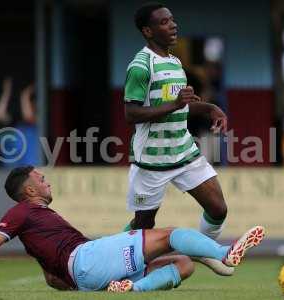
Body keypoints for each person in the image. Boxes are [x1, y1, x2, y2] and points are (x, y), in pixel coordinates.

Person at [0, 166, 265, 292]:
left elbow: (53, 278)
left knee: (184, 264)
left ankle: (130, 289)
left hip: (87, 270)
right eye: (41, 178)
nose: (47, 181)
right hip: (87, 261)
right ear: (30, 190)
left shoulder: (40, 224)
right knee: (168, 235)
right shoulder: (21, 212)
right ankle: (226, 254)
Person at [123, 3, 231, 275]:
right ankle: (115, 263)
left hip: (183, 151)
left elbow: (180, 105)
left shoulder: (174, 62)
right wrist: (173, 104)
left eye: (172, 20)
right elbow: (131, 113)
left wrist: (208, 108)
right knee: (143, 227)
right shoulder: (140, 66)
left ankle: (205, 250)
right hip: (151, 160)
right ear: (148, 31)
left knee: (218, 208)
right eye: (164, 22)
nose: (173, 25)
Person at [0, 77, 40, 167]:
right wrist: (6, 92)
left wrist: (25, 95)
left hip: (30, 164)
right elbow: (0, 115)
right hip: (12, 163)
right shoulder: (17, 122)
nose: (32, 106)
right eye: (31, 104)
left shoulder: (40, 120)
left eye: (33, 104)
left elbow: (29, 117)